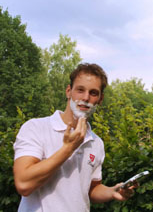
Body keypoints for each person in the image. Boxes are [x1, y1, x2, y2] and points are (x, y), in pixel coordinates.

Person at [13, 63, 135, 212]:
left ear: (100, 99)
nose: (85, 97)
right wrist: (68, 148)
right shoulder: (36, 128)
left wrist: (112, 192)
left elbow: (91, 189)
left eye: (93, 93)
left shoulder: (96, 143)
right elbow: (23, 184)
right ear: (69, 91)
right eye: (80, 90)